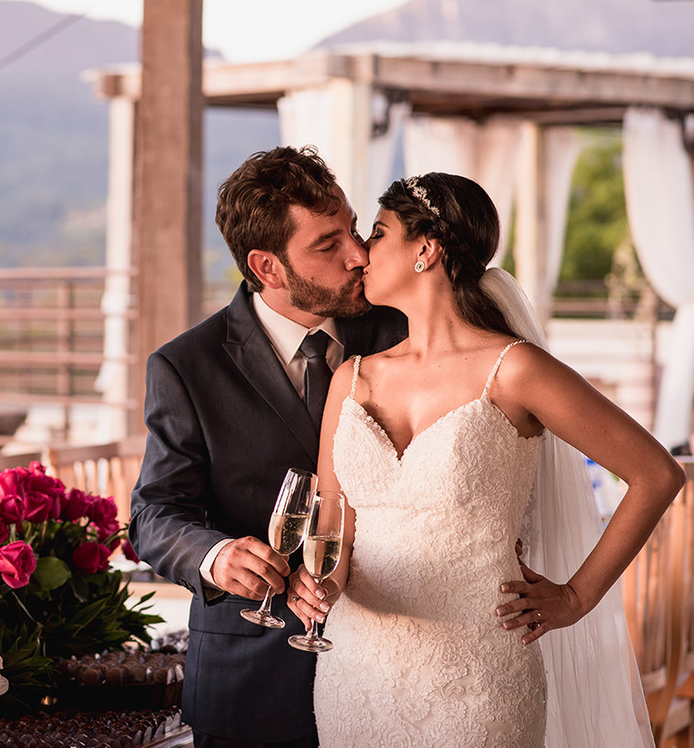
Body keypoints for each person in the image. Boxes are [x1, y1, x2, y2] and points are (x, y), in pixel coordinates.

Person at [292, 172, 684, 747]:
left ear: (426, 249)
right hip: (357, 672)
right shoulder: (351, 378)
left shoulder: (515, 370)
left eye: (376, 234)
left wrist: (575, 598)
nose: (359, 254)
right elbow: (333, 529)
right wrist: (317, 584)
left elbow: (657, 473)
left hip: (477, 678)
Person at [128, 145, 407, 748]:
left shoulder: (399, 331)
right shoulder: (185, 367)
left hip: (397, 659)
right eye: (327, 245)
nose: (359, 255)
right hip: (251, 673)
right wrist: (217, 556)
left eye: (354, 230)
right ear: (268, 266)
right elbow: (153, 515)